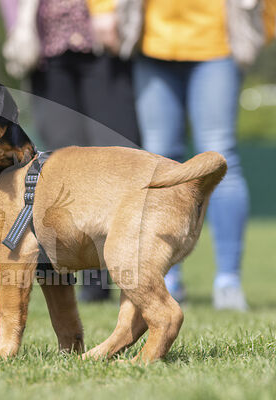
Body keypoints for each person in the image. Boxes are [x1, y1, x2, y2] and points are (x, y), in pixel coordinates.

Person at [87, 0, 276, 310]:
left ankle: (228, 280)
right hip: (152, 41)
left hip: (218, 43)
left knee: (219, 151)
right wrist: (103, 8)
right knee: (159, 158)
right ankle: (167, 276)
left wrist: (262, 24)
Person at [0, 0, 141, 301]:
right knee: (68, 170)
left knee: (120, 157)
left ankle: (134, 271)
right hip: (48, 55)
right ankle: (93, 279)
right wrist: (19, 30)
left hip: (105, 47)